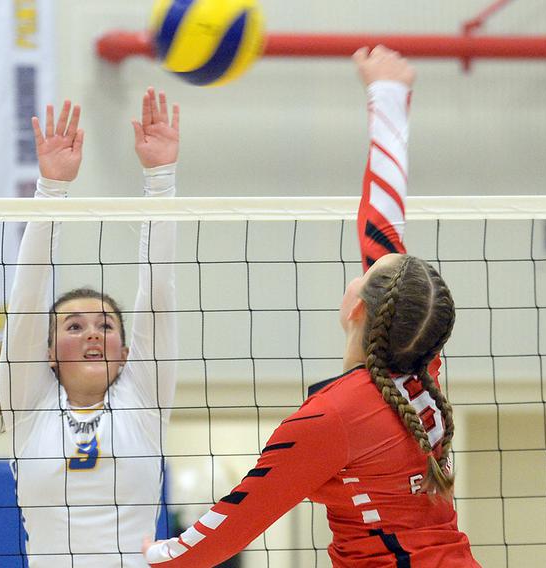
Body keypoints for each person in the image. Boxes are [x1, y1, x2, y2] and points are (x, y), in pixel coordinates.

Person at [143, 47, 480, 567]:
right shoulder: (420, 370)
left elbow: (229, 526)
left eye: (364, 274)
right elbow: (383, 224)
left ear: (357, 309)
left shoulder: (332, 417)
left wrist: (149, 555)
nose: (356, 272)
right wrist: (387, 97)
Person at [0, 87, 181, 567]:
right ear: (48, 353)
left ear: (127, 352)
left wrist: (161, 177)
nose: (92, 333)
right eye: (73, 326)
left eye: (105, 325)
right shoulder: (30, 408)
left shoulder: (144, 400)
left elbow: (158, 290)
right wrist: (51, 190)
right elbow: (27, 300)